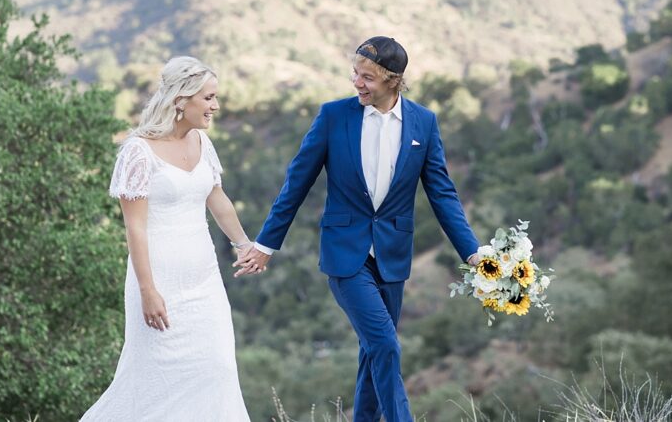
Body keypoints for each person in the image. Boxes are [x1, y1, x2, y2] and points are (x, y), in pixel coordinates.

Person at [234, 36, 482, 422]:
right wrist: (267, 243)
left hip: (393, 257)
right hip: (345, 255)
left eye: (367, 77)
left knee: (373, 351)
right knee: (386, 345)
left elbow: (443, 195)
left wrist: (473, 253)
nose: (357, 83)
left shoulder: (424, 123)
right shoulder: (334, 117)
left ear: (393, 81)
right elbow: (296, 183)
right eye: (355, 73)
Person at [82, 57, 252, 421]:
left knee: (217, 370)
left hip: (205, 283)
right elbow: (135, 228)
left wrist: (243, 244)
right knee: (154, 380)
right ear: (181, 99)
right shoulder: (137, 152)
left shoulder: (203, 144)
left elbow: (217, 198)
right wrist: (148, 290)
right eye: (208, 98)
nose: (215, 106)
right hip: (159, 286)